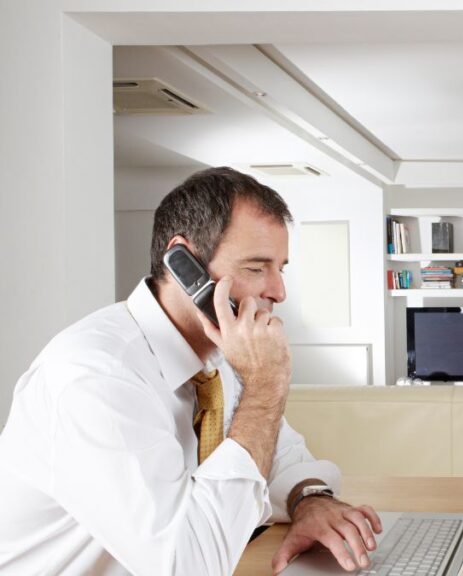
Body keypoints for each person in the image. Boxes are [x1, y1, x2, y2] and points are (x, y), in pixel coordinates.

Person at [0, 167, 380, 574]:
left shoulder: (219, 354)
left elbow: (281, 457)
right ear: (184, 263)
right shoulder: (98, 377)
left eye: (280, 268)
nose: (278, 291)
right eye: (256, 268)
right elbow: (188, 565)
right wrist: (266, 386)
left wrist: (312, 501)